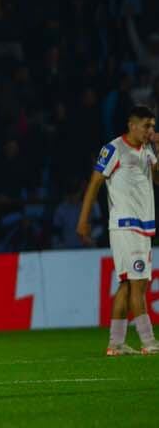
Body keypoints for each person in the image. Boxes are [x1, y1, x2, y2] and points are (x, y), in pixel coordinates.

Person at [76, 105, 159, 356]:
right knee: (139, 284)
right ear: (132, 125)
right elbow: (95, 182)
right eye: (147, 126)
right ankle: (149, 342)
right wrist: (83, 219)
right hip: (126, 225)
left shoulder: (146, 150)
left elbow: (157, 179)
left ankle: (116, 343)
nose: (151, 131)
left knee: (126, 284)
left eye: (153, 126)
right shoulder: (114, 148)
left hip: (141, 226)